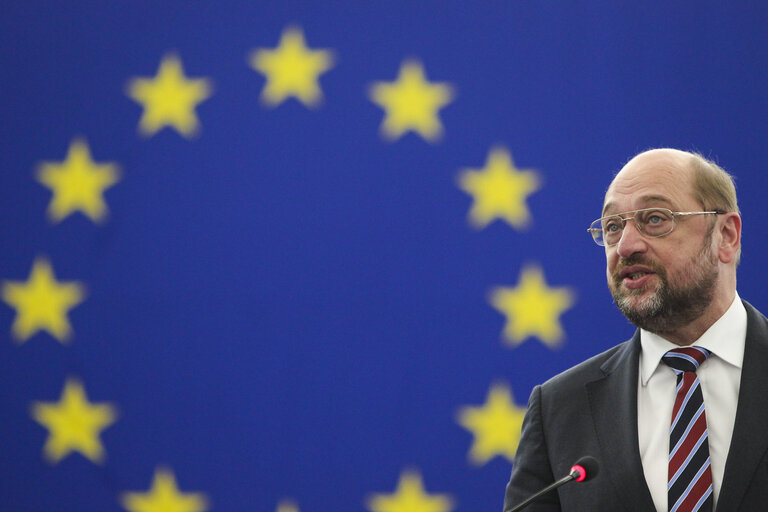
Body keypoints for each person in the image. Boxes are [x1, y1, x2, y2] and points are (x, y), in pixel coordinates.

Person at [503, 148, 768, 512]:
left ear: (726, 236)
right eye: (613, 227)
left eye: (655, 219)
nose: (626, 246)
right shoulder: (559, 409)